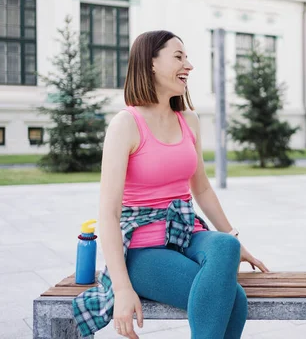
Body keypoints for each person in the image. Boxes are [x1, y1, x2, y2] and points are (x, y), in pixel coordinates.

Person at [73, 30, 269, 339]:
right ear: (149, 63)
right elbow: (109, 214)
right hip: (142, 250)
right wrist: (122, 288)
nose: (188, 65)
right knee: (236, 302)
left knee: (226, 245)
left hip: (186, 232)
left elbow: (201, 187)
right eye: (178, 57)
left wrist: (236, 241)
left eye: (187, 57)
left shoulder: (188, 120)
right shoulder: (126, 124)